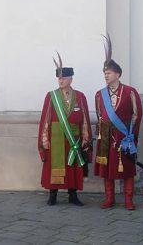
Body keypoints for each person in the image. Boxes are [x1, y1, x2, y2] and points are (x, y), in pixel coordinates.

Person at [95, 34, 143, 210]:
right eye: (104, 73)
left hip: (124, 138)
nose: (105, 76)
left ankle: (129, 200)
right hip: (106, 138)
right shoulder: (99, 94)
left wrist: (132, 137)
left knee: (127, 169)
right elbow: (100, 116)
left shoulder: (130, 92)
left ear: (118, 74)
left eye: (108, 73)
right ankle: (110, 199)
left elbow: (137, 115)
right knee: (107, 170)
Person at [37, 53, 92, 206]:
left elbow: (85, 120)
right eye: (59, 78)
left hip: (74, 138)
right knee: (54, 166)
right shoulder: (51, 96)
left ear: (71, 79)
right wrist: (45, 139)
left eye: (64, 78)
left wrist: (85, 138)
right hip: (55, 138)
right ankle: (52, 195)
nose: (60, 81)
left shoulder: (80, 96)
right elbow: (45, 119)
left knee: (73, 166)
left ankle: (73, 195)